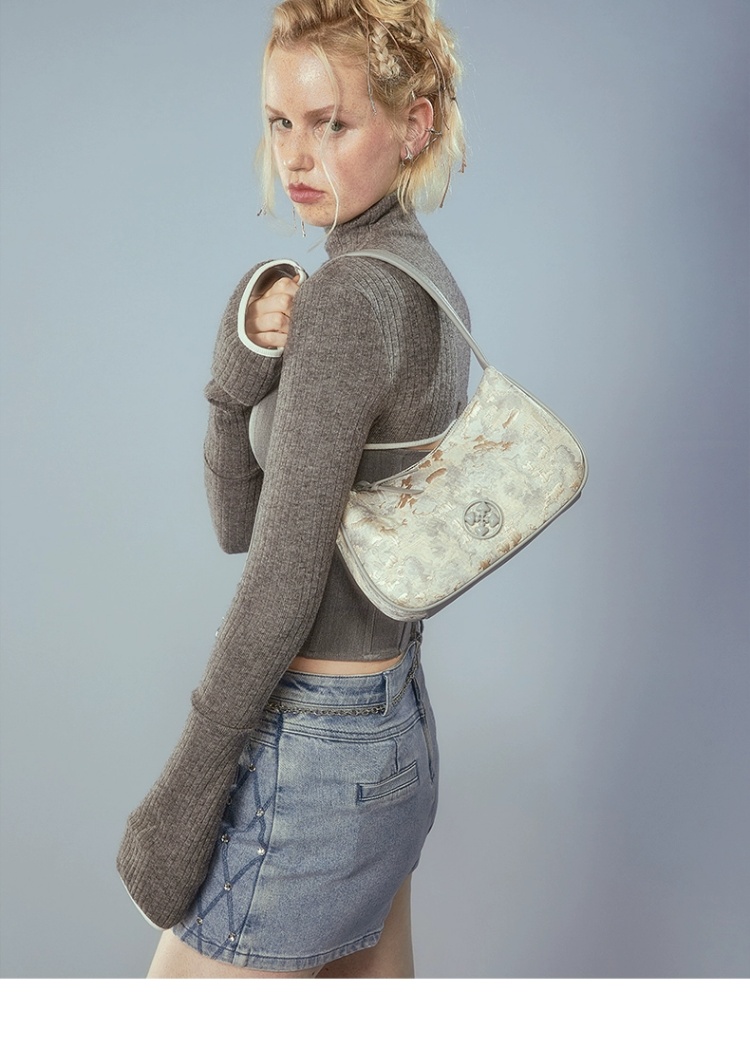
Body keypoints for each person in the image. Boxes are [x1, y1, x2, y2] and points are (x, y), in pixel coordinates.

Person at [117, 0, 469, 979]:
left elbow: (275, 577)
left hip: (317, 747)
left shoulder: (351, 301)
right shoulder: (425, 281)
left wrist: (183, 794)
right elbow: (243, 521)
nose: (297, 156)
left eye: (331, 122)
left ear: (414, 125)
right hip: (393, 727)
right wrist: (242, 376)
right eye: (281, 122)